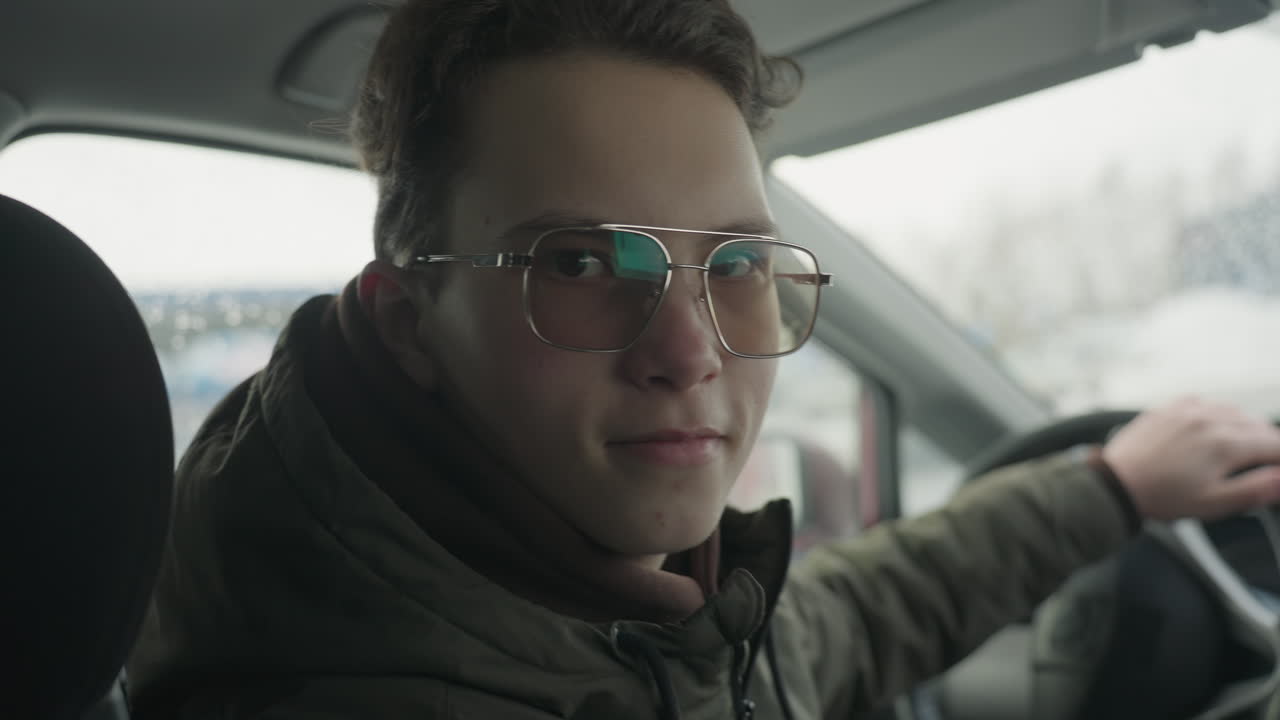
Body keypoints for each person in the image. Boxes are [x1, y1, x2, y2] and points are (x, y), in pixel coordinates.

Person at [125, 1, 1280, 718]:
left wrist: (1114, 487)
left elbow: (844, 621)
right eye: (577, 264)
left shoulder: (606, 609)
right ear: (404, 322)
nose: (689, 354)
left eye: (733, 263)